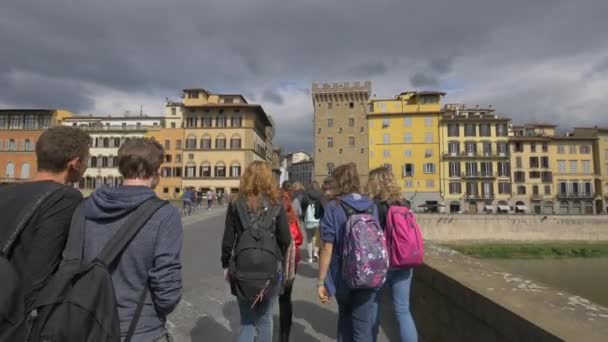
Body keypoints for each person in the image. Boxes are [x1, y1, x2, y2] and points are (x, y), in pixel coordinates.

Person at [80, 138, 182, 341]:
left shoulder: (87, 206)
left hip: (90, 324)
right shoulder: (165, 214)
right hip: (141, 328)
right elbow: (167, 286)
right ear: (155, 169)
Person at [0, 126, 90, 340]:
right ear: (75, 163)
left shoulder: (5, 193)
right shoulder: (65, 198)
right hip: (17, 322)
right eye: (87, 160)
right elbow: (39, 275)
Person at [221, 161, 291, 342]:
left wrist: (225, 265)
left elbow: (228, 240)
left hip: (243, 267)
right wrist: (279, 257)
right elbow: (285, 238)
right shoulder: (277, 202)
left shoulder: (236, 203)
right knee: (265, 319)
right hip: (269, 269)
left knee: (247, 321)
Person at [317, 163, 380, 342]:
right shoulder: (371, 205)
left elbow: (327, 247)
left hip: (342, 275)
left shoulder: (333, 207)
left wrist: (321, 281)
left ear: (338, 182)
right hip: (367, 272)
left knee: (344, 319)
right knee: (362, 329)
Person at [367, 167, 418, 342]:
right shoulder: (405, 203)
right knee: (403, 310)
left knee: (373, 304)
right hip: (404, 259)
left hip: (383, 262)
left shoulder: (375, 205)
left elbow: (371, 235)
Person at [278, 190, 303, 342]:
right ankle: (284, 333)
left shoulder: (273, 217)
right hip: (292, 264)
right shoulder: (292, 219)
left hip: (278, 264)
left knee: (272, 297)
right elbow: (299, 239)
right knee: (286, 297)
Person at [304, 181, 322, 263]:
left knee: (308, 238)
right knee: (315, 237)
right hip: (317, 219)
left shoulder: (306, 194)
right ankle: (315, 253)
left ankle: (310, 258)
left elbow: (303, 205)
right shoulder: (320, 194)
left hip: (308, 219)